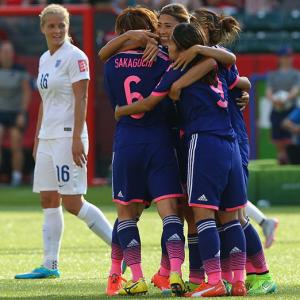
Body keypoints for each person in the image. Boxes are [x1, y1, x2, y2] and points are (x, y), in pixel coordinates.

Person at [14, 4, 113, 280]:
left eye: (62, 26)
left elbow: (82, 98)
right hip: (47, 137)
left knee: (73, 202)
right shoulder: (45, 58)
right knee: (48, 198)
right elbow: (45, 102)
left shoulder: (76, 57)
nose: (57, 30)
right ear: (43, 28)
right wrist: (37, 138)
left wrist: (76, 138)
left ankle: (121, 248)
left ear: (68, 28)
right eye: (52, 26)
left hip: (68, 136)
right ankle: (50, 265)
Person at [103, 6, 187, 297]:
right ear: (148, 28)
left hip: (127, 141)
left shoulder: (111, 63)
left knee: (126, 213)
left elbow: (113, 99)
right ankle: (175, 273)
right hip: (161, 140)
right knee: (170, 212)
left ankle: (126, 275)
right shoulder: (167, 61)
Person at [0, 40, 31, 186]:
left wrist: (22, 114)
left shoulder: (20, 71)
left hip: (15, 113)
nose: (7, 55)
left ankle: (16, 177)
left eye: (9, 52)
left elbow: (26, 93)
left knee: (15, 142)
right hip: (1, 112)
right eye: (4, 51)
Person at [266, 46, 300, 164]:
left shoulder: (295, 74)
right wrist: (275, 100)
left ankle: (292, 155)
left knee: (290, 135)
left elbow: (296, 90)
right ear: (279, 58)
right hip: (277, 108)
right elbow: (269, 91)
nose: (287, 59)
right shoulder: (273, 75)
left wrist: (286, 98)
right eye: (284, 57)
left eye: (289, 56)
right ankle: (282, 156)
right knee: (278, 135)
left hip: (291, 108)